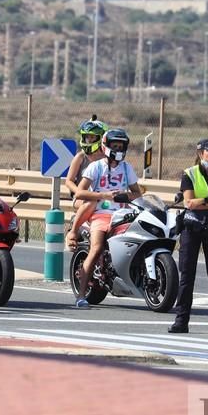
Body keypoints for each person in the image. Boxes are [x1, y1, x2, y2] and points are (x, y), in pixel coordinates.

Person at [169, 138, 208, 335]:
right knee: (187, 276)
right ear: (200, 153)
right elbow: (189, 203)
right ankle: (181, 321)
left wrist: (202, 202)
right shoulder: (190, 174)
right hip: (191, 229)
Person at [73, 128, 142, 309]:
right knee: (96, 249)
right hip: (100, 215)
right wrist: (103, 196)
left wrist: (125, 194)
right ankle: (81, 295)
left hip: (123, 215)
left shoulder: (127, 168)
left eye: (121, 146)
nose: (118, 149)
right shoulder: (95, 167)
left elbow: (137, 193)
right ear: (106, 146)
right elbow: (79, 192)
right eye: (115, 145)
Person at [65, 115, 108, 249]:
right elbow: (69, 181)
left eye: (92, 137)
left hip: (104, 196)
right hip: (83, 198)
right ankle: (73, 231)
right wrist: (79, 192)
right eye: (87, 137)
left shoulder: (107, 158)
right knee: (92, 203)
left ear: (101, 138)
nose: (88, 140)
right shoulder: (80, 157)